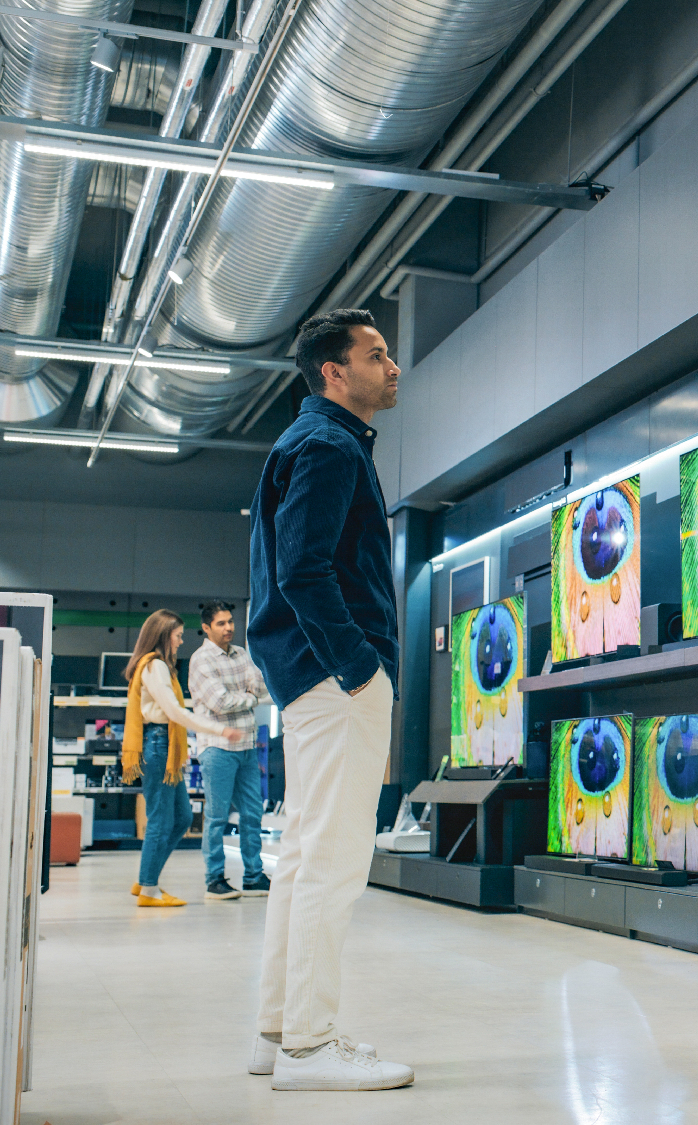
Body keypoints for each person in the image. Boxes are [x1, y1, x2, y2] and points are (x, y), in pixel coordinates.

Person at [245, 308, 412, 1092]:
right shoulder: (327, 444)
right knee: (335, 860)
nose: (394, 365)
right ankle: (311, 1045)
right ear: (335, 373)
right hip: (332, 678)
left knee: (306, 855)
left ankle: (278, 1031)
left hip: (308, 681)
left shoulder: (313, 441)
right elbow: (302, 571)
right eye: (377, 354)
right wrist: (359, 666)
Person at [121, 609, 251, 908]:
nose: (181, 642)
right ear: (165, 635)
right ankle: (150, 890)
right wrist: (220, 729)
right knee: (160, 821)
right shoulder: (155, 667)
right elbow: (176, 713)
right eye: (178, 636)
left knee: (180, 818)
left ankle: (145, 878)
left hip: (164, 746)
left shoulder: (157, 666)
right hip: (158, 746)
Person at [188, 600, 273, 901]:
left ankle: (253, 877)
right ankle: (214, 880)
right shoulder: (201, 660)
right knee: (217, 816)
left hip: (247, 747)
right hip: (218, 749)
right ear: (206, 627)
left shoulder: (242, 655)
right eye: (221, 623)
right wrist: (249, 696)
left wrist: (248, 695)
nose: (229, 628)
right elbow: (220, 703)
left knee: (252, 814)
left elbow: (263, 689)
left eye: (230, 622)